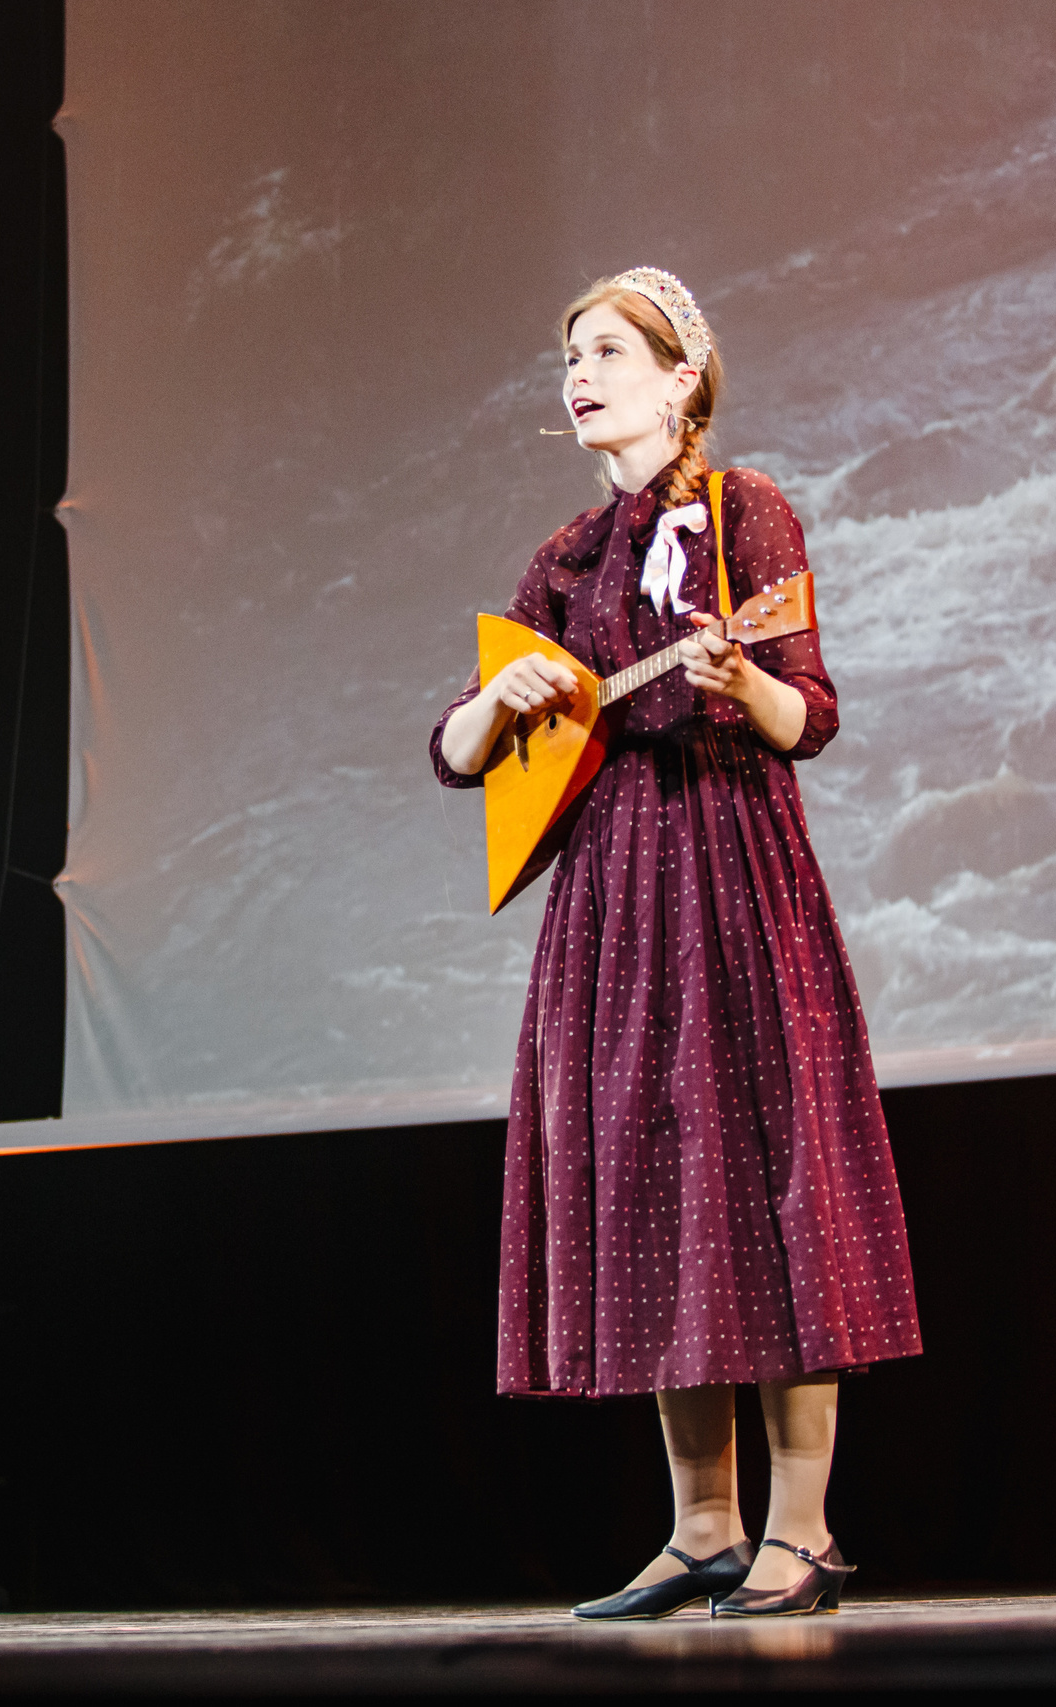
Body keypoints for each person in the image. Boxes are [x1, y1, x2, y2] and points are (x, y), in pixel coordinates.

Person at [430, 269, 922, 1619]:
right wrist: (502, 701)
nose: (578, 374)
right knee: (654, 1181)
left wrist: (739, 676)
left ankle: (800, 1528)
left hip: (731, 864)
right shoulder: (569, 556)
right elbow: (456, 750)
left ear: (679, 376)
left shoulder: (743, 512)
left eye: (605, 351)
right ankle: (701, 1522)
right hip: (612, 899)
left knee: (771, 1173)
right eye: (569, 354)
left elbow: (808, 707)